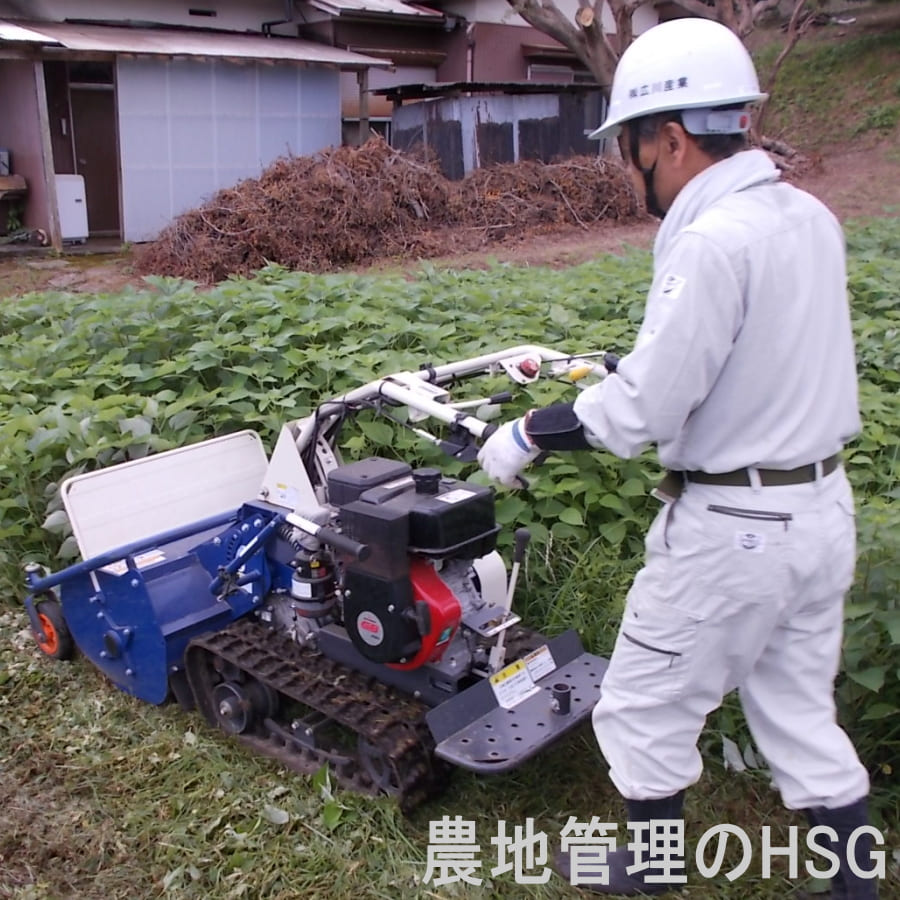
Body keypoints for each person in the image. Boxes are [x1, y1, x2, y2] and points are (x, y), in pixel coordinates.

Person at [477, 17, 877, 899]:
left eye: (630, 148)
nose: (630, 171)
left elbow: (643, 415)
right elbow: (761, 359)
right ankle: (856, 888)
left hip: (733, 532)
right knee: (801, 718)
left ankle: (648, 878)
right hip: (819, 511)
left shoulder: (711, 238)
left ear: (670, 137)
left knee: (643, 709)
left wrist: (530, 432)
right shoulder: (807, 217)